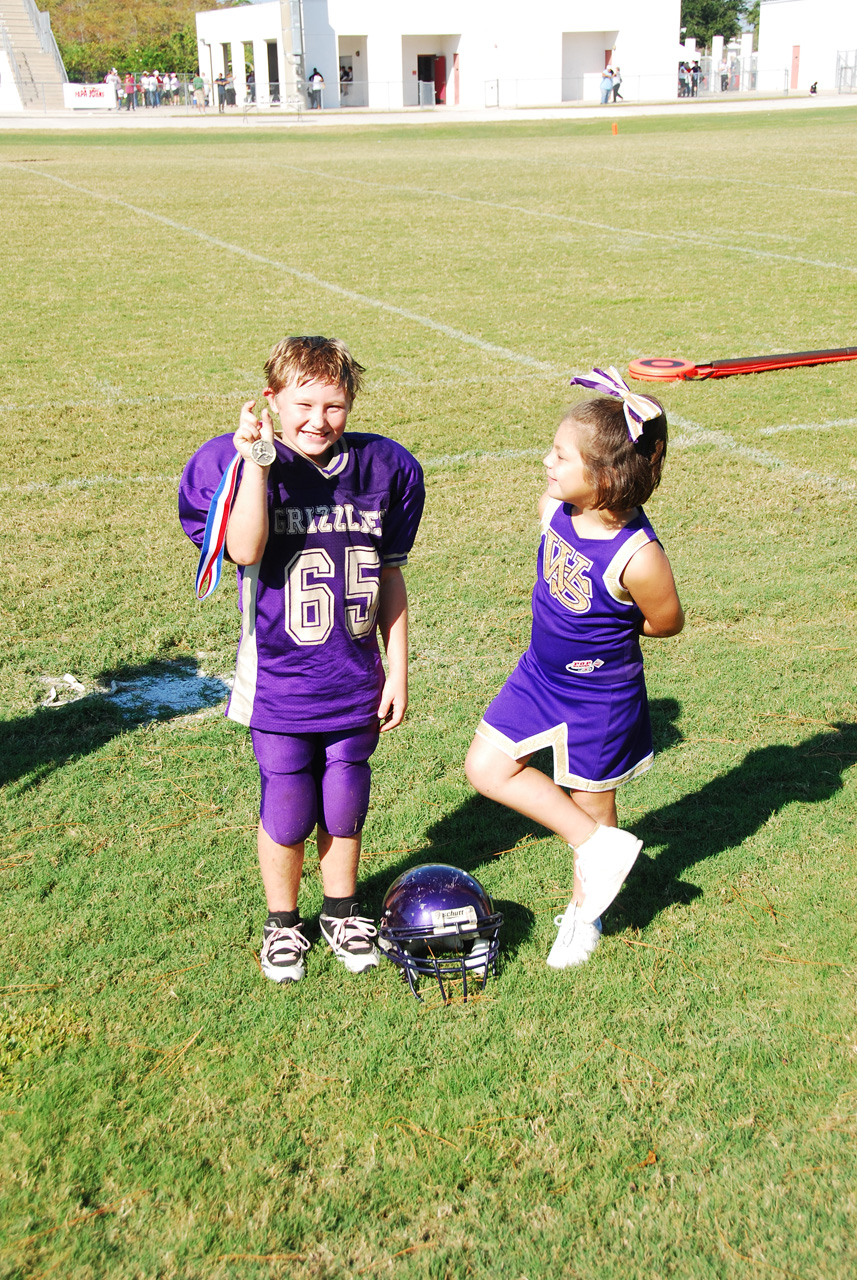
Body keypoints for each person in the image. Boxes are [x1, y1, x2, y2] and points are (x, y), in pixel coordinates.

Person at [179, 336, 425, 984]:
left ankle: (341, 912)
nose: (318, 419)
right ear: (272, 400)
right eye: (304, 403)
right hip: (280, 682)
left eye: (334, 405)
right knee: (286, 807)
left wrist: (397, 666)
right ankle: (282, 921)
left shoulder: (385, 468)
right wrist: (256, 465)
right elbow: (242, 548)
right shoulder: (237, 463)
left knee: (345, 801)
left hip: (354, 676)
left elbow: (391, 576)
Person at [464, 367, 684, 971]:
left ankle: (585, 917)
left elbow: (665, 621)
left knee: (591, 801)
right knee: (487, 767)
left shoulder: (638, 556)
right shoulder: (557, 507)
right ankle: (599, 849)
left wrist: (610, 632)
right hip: (538, 675)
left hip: (601, 697)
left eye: (560, 455)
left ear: (606, 478)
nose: (547, 462)